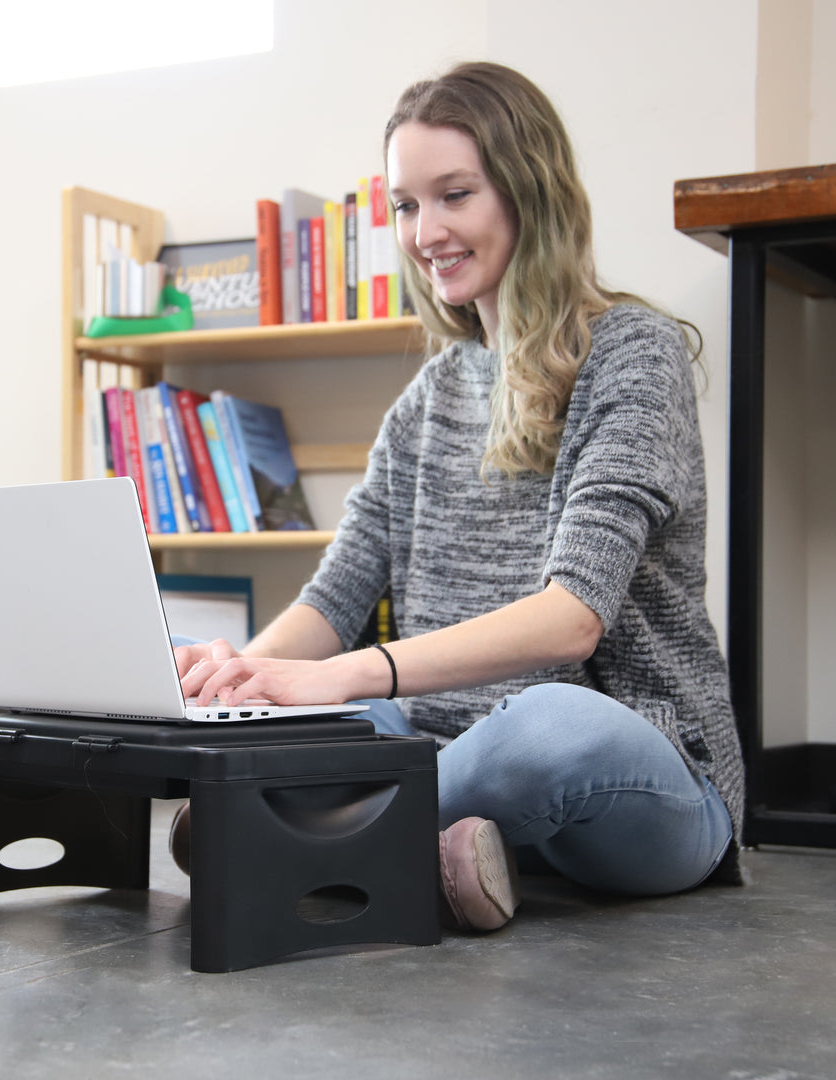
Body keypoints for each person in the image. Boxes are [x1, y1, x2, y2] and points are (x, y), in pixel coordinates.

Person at [174, 61, 744, 931]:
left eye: (454, 194)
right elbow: (336, 596)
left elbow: (572, 620)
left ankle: (300, 834)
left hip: (642, 776)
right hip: (444, 758)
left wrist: (339, 675)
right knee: (317, 705)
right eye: (405, 205)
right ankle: (438, 848)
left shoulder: (635, 353)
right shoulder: (428, 400)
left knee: (549, 725)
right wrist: (244, 686)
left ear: (528, 193)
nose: (424, 229)